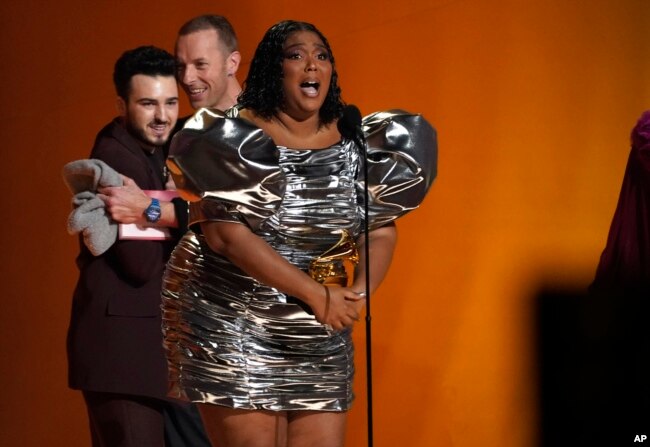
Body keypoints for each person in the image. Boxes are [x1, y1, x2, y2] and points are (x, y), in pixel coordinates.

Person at [161, 20, 438, 446]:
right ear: (275, 68)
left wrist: (355, 296)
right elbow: (225, 236)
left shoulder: (355, 142)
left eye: (322, 55)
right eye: (296, 55)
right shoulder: (229, 136)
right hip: (236, 321)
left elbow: (378, 228)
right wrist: (318, 296)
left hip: (319, 330)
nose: (312, 64)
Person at [65, 45, 209, 447]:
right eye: (147, 103)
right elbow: (140, 263)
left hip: (146, 359)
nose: (162, 116)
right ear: (121, 104)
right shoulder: (118, 158)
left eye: (169, 102)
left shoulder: (156, 148)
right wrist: (172, 207)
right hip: (124, 357)